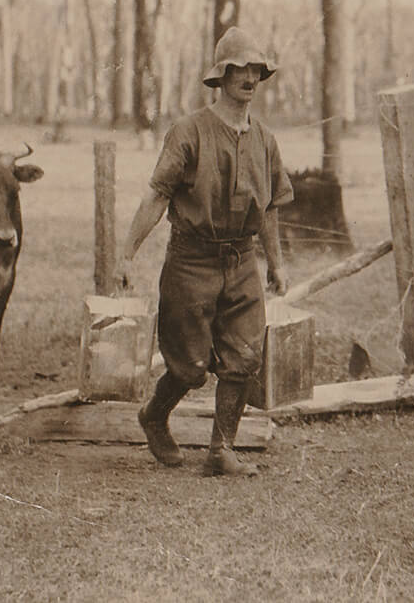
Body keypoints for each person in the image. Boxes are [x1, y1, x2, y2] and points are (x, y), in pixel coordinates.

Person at [117, 27, 293, 477]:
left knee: (245, 355)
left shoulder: (266, 141)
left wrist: (275, 262)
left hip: (242, 261)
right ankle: (154, 415)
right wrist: (126, 253)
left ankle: (221, 450)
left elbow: (270, 208)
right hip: (191, 261)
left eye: (255, 69)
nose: (248, 77)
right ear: (221, 76)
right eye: (238, 69)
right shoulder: (189, 132)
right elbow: (157, 195)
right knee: (190, 363)